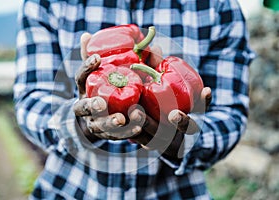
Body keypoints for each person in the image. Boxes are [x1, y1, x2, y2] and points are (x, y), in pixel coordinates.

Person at [14, 0, 255, 199]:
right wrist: (77, 123)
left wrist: (186, 141)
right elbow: (31, 101)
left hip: (178, 192)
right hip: (69, 190)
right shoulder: (46, 3)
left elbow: (230, 114)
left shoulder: (217, 5)